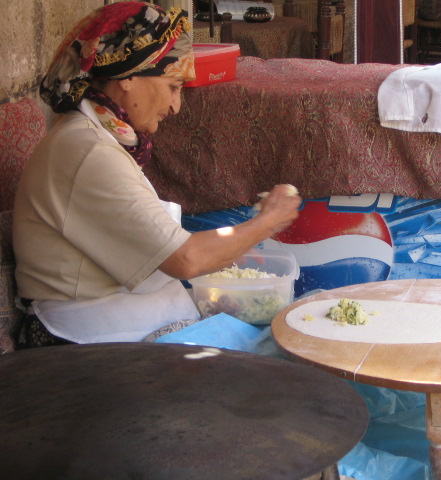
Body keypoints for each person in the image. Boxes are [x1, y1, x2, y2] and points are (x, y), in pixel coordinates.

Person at [12, 2, 301, 348]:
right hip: (88, 340)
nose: (176, 106)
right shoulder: (89, 151)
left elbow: (164, 244)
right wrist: (265, 223)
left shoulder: (101, 138)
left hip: (130, 322)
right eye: (173, 86)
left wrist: (235, 243)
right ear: (130, 77)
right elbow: (186, 257)